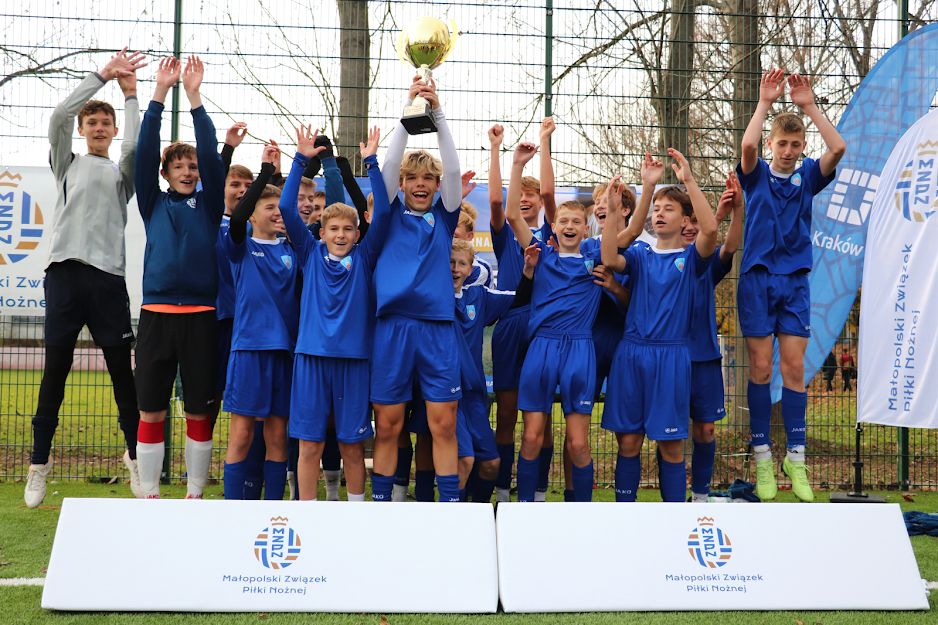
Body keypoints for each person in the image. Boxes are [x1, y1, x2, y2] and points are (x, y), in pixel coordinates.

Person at [25, 48, 147, 508]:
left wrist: (130, 95)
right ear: (82, 130)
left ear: (113, 131)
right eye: (91, 122)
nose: (98, 128)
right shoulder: (67, 164)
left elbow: (135, 149)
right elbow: (59, 115)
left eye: (105, 123)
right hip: (64, 277)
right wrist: (102, 75)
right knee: (54, 372)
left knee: (121, 376)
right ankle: (39, 463)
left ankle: (134, 455)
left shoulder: (121, 174)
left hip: (107, 281)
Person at [738, 69, 846, 503]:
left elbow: (837, 148)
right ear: (772, 144)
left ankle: (795, 459)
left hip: (795, 283)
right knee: (761, 368)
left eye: (795, 144)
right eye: (781, 143)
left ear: (802, 147)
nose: (787, 151)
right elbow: (746, 147)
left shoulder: (809, 177)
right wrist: (765, 102)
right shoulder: (756, 174)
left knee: (795, 369)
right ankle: (763, 458)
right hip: (757, 281)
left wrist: (809, 106)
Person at [133, 55, 225, 499]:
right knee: (150, 411)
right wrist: (158, 94)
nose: (188, 172)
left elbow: (210, 153)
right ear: (165, 173)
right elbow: (145, 151)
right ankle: (150, 491)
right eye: (179, 167)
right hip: (156, 317)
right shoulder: (152, 203)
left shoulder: (209, 206)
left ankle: (194, 492)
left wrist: (193, 97)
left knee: (198, 412)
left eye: (193, 167)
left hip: (200, 319)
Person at [601, 150, 717, 503]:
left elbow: (711, 229)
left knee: (671, 446)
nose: (660, 213)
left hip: (671, 357)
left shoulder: (691, 258)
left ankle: (673, 521)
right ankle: (625, 516)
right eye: (656, 209)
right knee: (629, 442)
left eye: (669, 209)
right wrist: (642, 191)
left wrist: (689, 180)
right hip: (631, 354)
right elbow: (609, 256)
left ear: (684, 220)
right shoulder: (641, 254)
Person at [367, 76, 463, 503]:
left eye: (428, 178)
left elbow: (454, 169)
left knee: (443, 423)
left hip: (437, 329)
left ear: (437, 187)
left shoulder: (444, 217)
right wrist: (409, 112)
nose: (421, 184)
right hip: (393, 328)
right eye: (413, 178)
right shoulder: (388, 214)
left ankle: (451, 507)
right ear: (403, 184)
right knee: (388, 425)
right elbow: (388, 166)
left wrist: (436, 113)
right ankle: (381, 508)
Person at [507, 141, 618, 503]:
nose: (570, 226)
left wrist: (617, 203)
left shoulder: (596, 256)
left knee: (579, 442)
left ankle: (580, 514)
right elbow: (512, 216)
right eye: (563, 221)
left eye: (576, 222)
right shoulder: (541, 254)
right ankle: (525, 508)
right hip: (542, 347)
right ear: (552, 227)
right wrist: (517, 165)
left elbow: (625, 236)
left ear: (586, 229)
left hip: (580, 350)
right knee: (532, 436)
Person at [284, 125, 387, 502]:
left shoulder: (365, 257)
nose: (341, 235)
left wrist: (372, 162)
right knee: (309, 445)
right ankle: (307, 513)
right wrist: (300, 159)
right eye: (333, 229)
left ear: (358, 234)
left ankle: (355, 515)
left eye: (348, 229)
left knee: (351, 447)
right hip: (311, 359)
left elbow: (384, 212)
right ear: (322, 232)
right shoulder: (309, 253)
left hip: (354, 362)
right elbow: (285, 208)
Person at [220, 143, 296, 501]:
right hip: (249, 350)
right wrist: (265, 173)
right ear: (252, 214)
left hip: (284, 353)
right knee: (241, 434)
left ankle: (273, 510)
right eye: (270, 208)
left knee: (278, 436)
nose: (278, 213)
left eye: (281, 208)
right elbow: (236, 219)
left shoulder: (292, 249)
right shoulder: (241, 247)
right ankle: (232, 510)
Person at [488, 119, 557, 503]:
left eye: (532, 195)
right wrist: (501, 154)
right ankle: (501, 491)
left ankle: (538, 493)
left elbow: (548, 192)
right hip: (510, 327)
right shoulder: (505, 236)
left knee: (540, 418)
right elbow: (499, 204)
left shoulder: (551, 237)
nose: (527, 200)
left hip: (543, 327)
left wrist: (544, 143)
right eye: (523, 195)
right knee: (506, 415)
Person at [451, 238, 535, 502]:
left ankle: (479, 511)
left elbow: (519, 298)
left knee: (490, 463)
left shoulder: (479, 296)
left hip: (473, 396)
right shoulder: (432, 296)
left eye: (461, 264)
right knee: (461, 460)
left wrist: (528, 272)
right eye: (450, 262)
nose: (455, 269)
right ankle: (451, 513)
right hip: (442, 393)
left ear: (470, 269)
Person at [683, 172, 745, 502]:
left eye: (697, 221)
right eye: (686, 220)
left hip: (705, 359)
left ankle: (700, 497)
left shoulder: (707, 265)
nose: (690, 226)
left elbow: (730, 245)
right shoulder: (657, 260)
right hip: (670, 358)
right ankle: (671, 501)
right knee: (670, 434)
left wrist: (736, 211)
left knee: (705, 430)